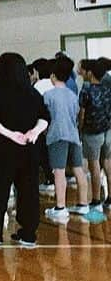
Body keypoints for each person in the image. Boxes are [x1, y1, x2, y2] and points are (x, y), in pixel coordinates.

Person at [0, 53, 49, 247]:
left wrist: (11, 134)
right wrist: (34, 132)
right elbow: (45, 117)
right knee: (28, 191)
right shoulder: (32, 93)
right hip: (29, 150)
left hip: (3, 151)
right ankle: (28, 233)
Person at [43, 55, 90, 222]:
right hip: (73, 135)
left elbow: (45, 117)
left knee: (59, 172)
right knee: (78, 170)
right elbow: (77, 114)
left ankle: (60, 207)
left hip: (57, 136)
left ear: (53, 76)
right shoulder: (72, 95)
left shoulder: (48, 95)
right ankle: (84, 204)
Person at [79, 57, 111, 209]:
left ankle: (96, 199)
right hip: (108, 129)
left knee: (94, 165)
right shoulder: (108, 88)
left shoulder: (87, 90)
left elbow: (82, 113)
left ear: (90, 73)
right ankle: (110, 198)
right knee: (108, 162)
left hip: (92, 132)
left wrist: (80, 127)